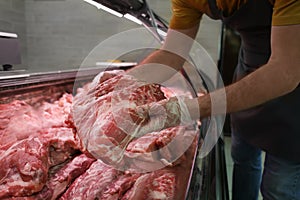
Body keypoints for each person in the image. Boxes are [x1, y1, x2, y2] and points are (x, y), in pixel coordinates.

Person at [126, 0, 300, 199]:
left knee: (278, 187)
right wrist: (121, 83)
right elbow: (172, 53)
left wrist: (186, 109)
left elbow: (284, 73)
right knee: (243, 157)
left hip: (294, 87)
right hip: (250, 71)